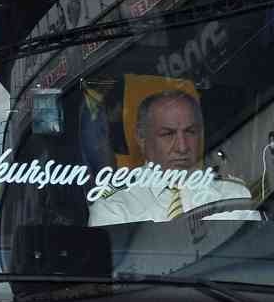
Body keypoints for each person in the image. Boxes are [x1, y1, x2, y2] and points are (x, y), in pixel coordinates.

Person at [87, 89, 255, 227]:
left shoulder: (231, 195)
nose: (182, 147)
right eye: (167, 134)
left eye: (190, 132)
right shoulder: (115, 207)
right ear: (141, 137)